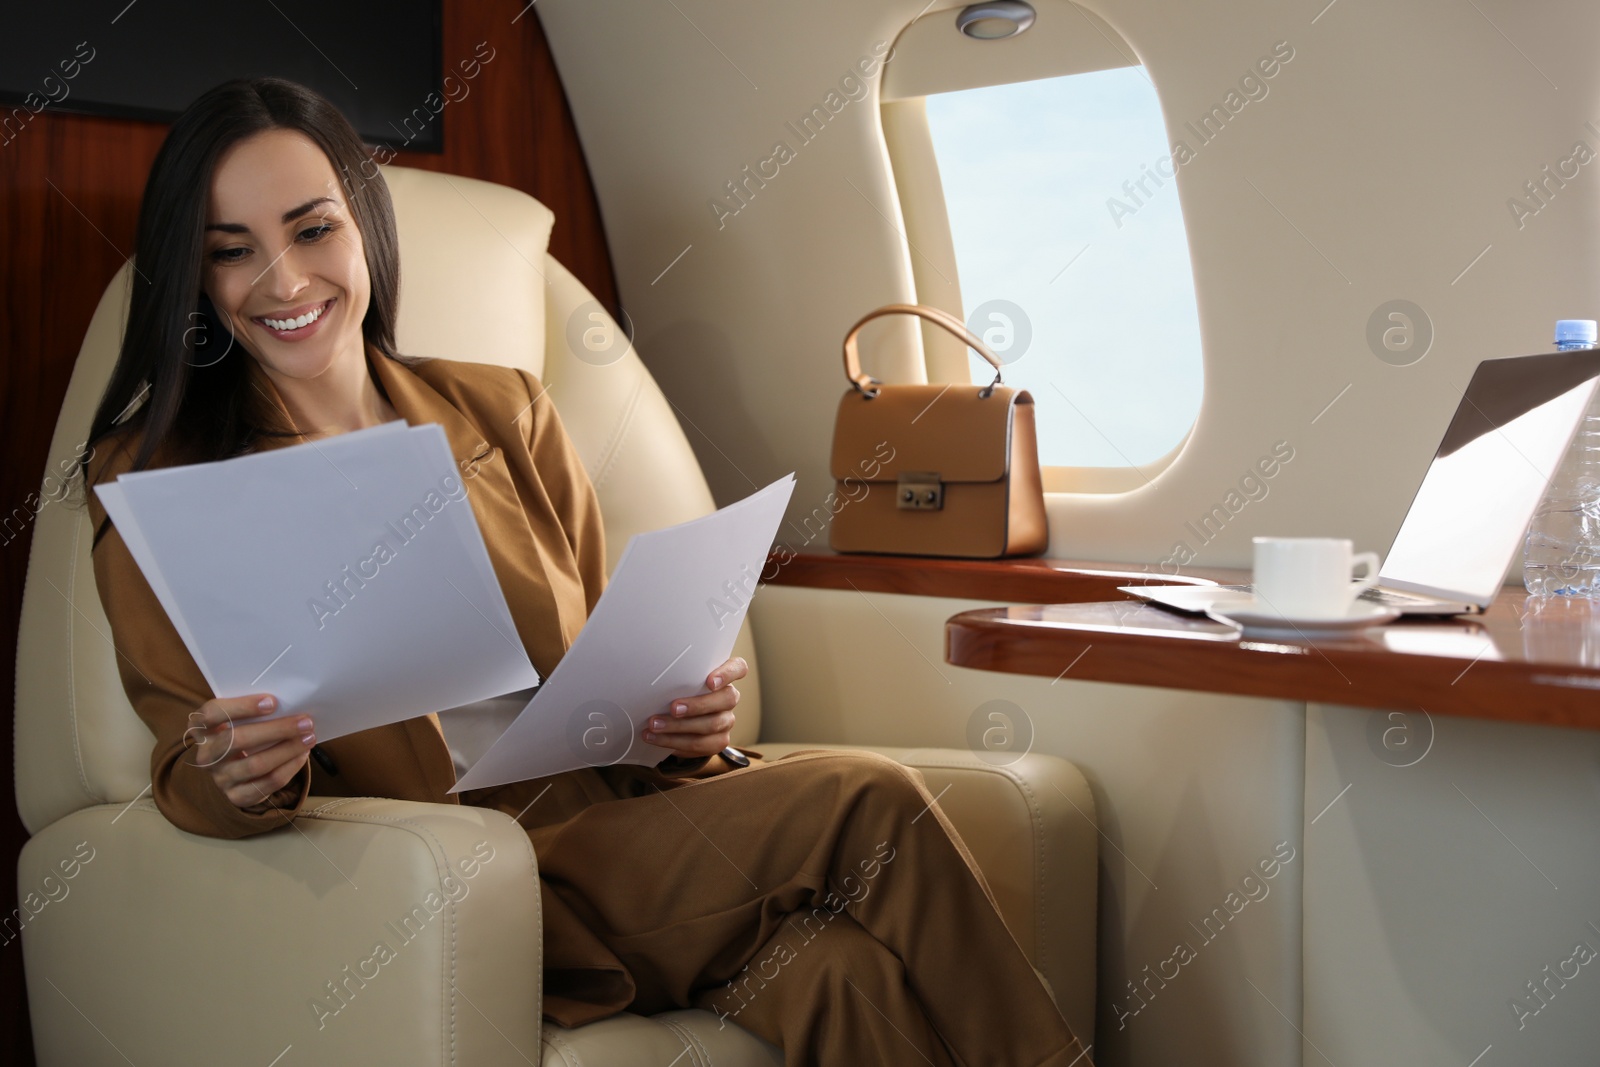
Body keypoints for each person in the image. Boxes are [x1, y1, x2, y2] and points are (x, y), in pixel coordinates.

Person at [80, 77, 1090, 1066]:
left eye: (312, 231)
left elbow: (607, 662)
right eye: (232, 252)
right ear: (195, 278)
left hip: (627, 841)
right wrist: (240, 777)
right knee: (878, 800)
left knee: (841, 976)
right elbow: (188, 759)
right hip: (472, 880)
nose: (286, 282)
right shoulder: (165, 476)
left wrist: (682, 728)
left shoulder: (504, 408)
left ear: (366, 230)